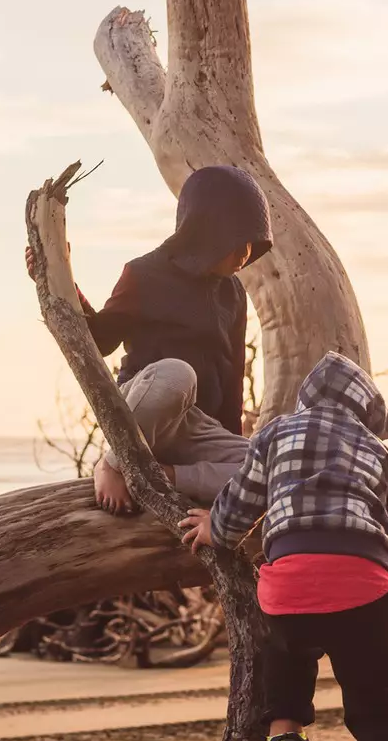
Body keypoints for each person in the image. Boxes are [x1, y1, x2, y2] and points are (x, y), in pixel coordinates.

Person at [178, 351, 388, 741]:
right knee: (380, 713)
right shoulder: (382, 455)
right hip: (365, 584)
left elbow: (242, 499)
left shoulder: (276, 433)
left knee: (286, 654)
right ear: (364, 410)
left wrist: (212, 529)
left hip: (291, 577)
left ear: (309, 397)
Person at [77, 164, 271, 513]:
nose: (245, 254)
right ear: (210, 231)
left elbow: (231, 376)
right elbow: (99, 341)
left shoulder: (233, 293)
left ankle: (166, 475)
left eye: (251, 244)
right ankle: (112, 464)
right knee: (178, 375)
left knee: (271, 467)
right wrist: (63, 283)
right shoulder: (144, 274)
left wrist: (231, 445)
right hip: (146, 405)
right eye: (238, 242)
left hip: (194, 428)